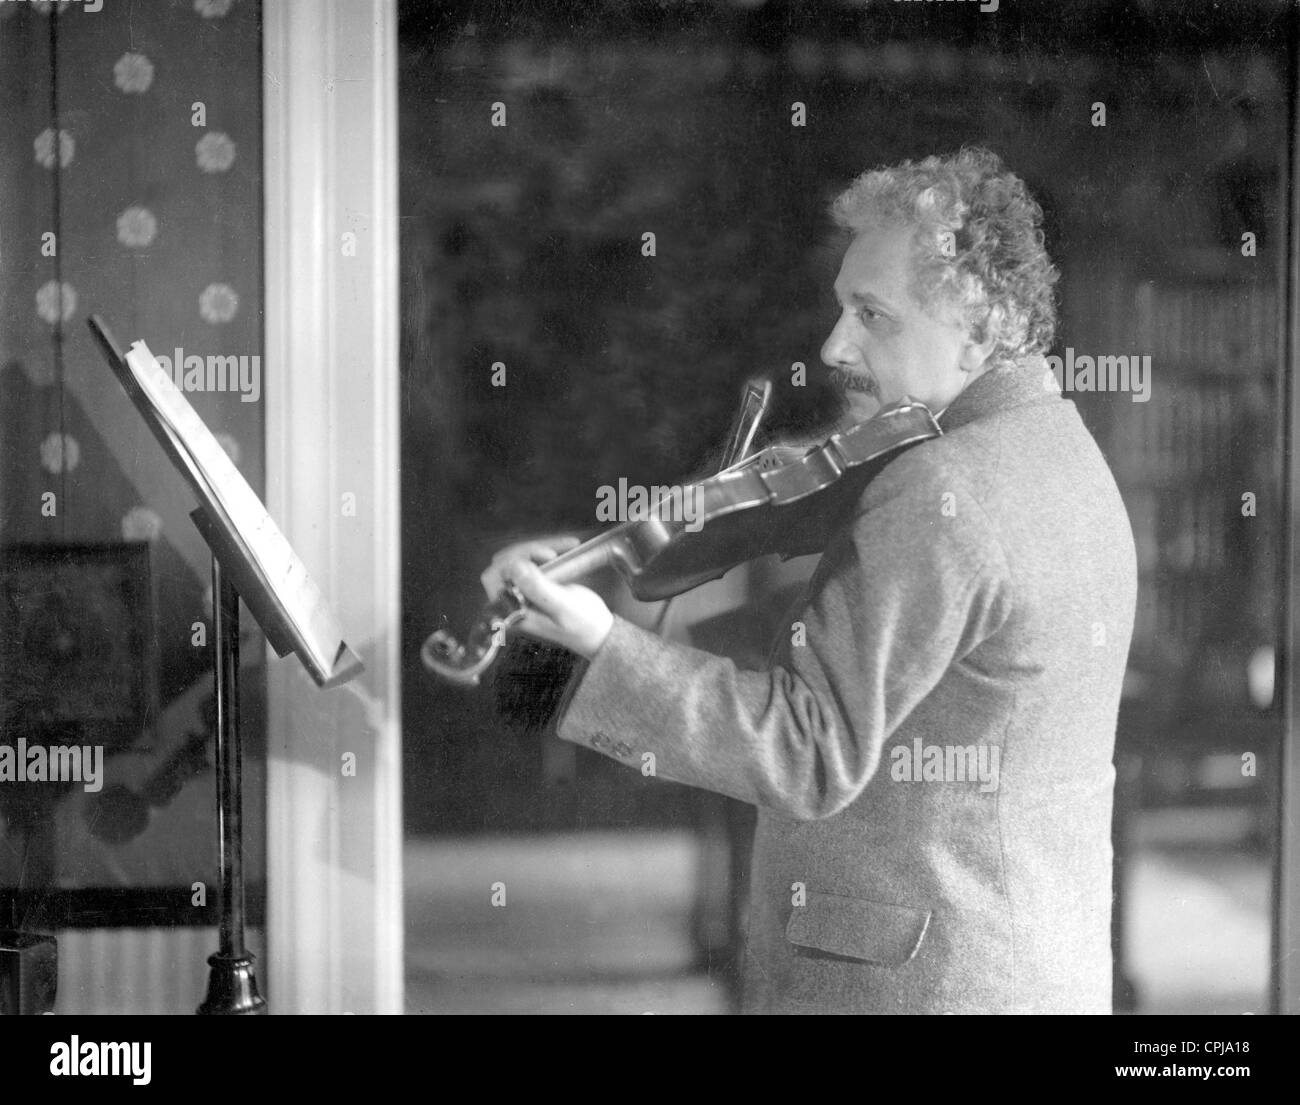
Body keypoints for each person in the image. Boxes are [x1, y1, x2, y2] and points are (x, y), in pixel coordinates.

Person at [483, 147, 1138, 1014]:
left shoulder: (942, 488)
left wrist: (600, 647)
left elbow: (810, 752)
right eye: (842, 308)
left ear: (982, 324)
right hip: (1028, 966)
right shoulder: (1058, 449)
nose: (835, 345)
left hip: (917, 984)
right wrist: (617, 609)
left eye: (874, 316)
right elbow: (880, 654)